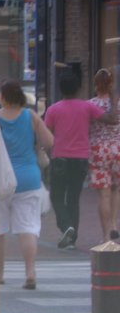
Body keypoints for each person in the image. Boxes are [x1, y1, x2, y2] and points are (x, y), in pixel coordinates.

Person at [45, 69, 118, 249]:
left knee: (56, 196)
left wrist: (47, 154)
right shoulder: (87, 107)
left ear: (60, 89)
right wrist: (113, 99)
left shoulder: (53, 109)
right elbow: (110, 119)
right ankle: (74, 235)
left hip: (61, 157)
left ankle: (66, 226)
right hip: (81, 158)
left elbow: (46, 134)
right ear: (78, 88)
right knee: (73, 198)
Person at [0, 80, 55, 290]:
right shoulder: (30, 116)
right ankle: (30, 273)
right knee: (27, 227)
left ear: (2, 97)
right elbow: (49, 141)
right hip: (29, 178)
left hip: (2, 179)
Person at [90, 68, 120, 242]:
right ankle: (115, 224)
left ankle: (106, 235)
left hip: (98, 151)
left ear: (95, 84)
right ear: (111, 84)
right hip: (117, 149)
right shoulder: (117, 103)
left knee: (104, 194)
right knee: (117, 189)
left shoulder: (91, 104)